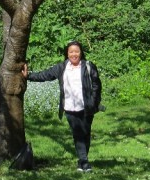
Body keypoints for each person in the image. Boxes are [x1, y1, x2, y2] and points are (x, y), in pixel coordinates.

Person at [21, 40, 102, 172]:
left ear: (81, 53)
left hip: (87, 107)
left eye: (76, 51)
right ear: (67, 54)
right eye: (71, 52)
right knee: (78, 134)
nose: (74, 54)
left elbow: (96, 85)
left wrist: (94, 102)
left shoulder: (88, 66)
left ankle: (82, 161)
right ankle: (84, 162)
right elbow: (45, 75)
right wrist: (28, 76)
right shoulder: (62, 67)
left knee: (86, 133)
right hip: (69, 108)